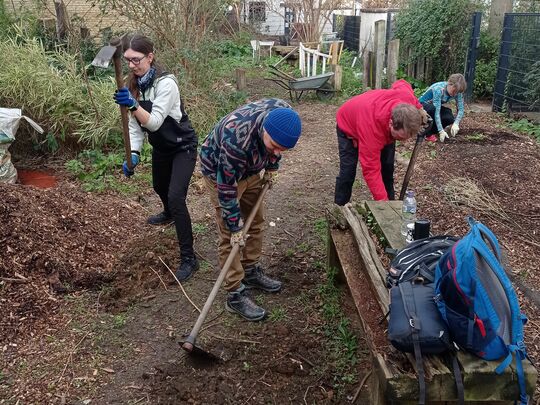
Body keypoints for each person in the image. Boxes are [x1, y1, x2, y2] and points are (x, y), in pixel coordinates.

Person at [199, 98, 302, 321]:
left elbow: (275, 151)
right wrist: (236, 226)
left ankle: (250, 269)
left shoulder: (284, 117)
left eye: (282, 149)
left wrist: (272, 166)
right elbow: (226, 188)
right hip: (221, 172)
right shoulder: (236, 138)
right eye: (274, 146)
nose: (276, 152)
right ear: (265, 129)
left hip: (252, 167)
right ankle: (235, 291)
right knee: (229, 235)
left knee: (255, 222)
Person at [113, 34, 199, 282]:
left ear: (150, 57)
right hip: (162, 147)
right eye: (127, 60)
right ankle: (168, 213)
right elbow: (135, 126)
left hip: (183, 146)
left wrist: (132, 105)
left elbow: (153, 121)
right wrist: (135, 153)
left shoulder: (166, 84)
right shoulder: (135, 85)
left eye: (136, 60)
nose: (131, 65)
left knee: (176, 196)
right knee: (159, 186)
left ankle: (188, 258)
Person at [334, 79, 425, 205]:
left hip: (376, 123)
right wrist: (382, 202)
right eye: (401, 138)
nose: (404, 142)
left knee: (387, 169)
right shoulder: (372, 130)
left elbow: (402, 83)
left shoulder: (406, 100)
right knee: (348, 172)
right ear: (391, 123)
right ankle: (340, 208)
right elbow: (371, 169)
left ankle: (392, 205)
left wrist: (420, 108)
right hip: (348, 125)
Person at [419, 73, 466, 142]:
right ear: (449, 83)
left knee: (449, 117)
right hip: (421, 107)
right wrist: (441, 130)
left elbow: (461, 109)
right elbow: (437, 111)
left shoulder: (458, 92)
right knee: (433, 110)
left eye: (457, 92)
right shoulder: (439, 89)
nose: (455, 94)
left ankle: (433, 131)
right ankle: (427, 133)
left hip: (434, 107)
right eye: (454, 91)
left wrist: (456, 123)